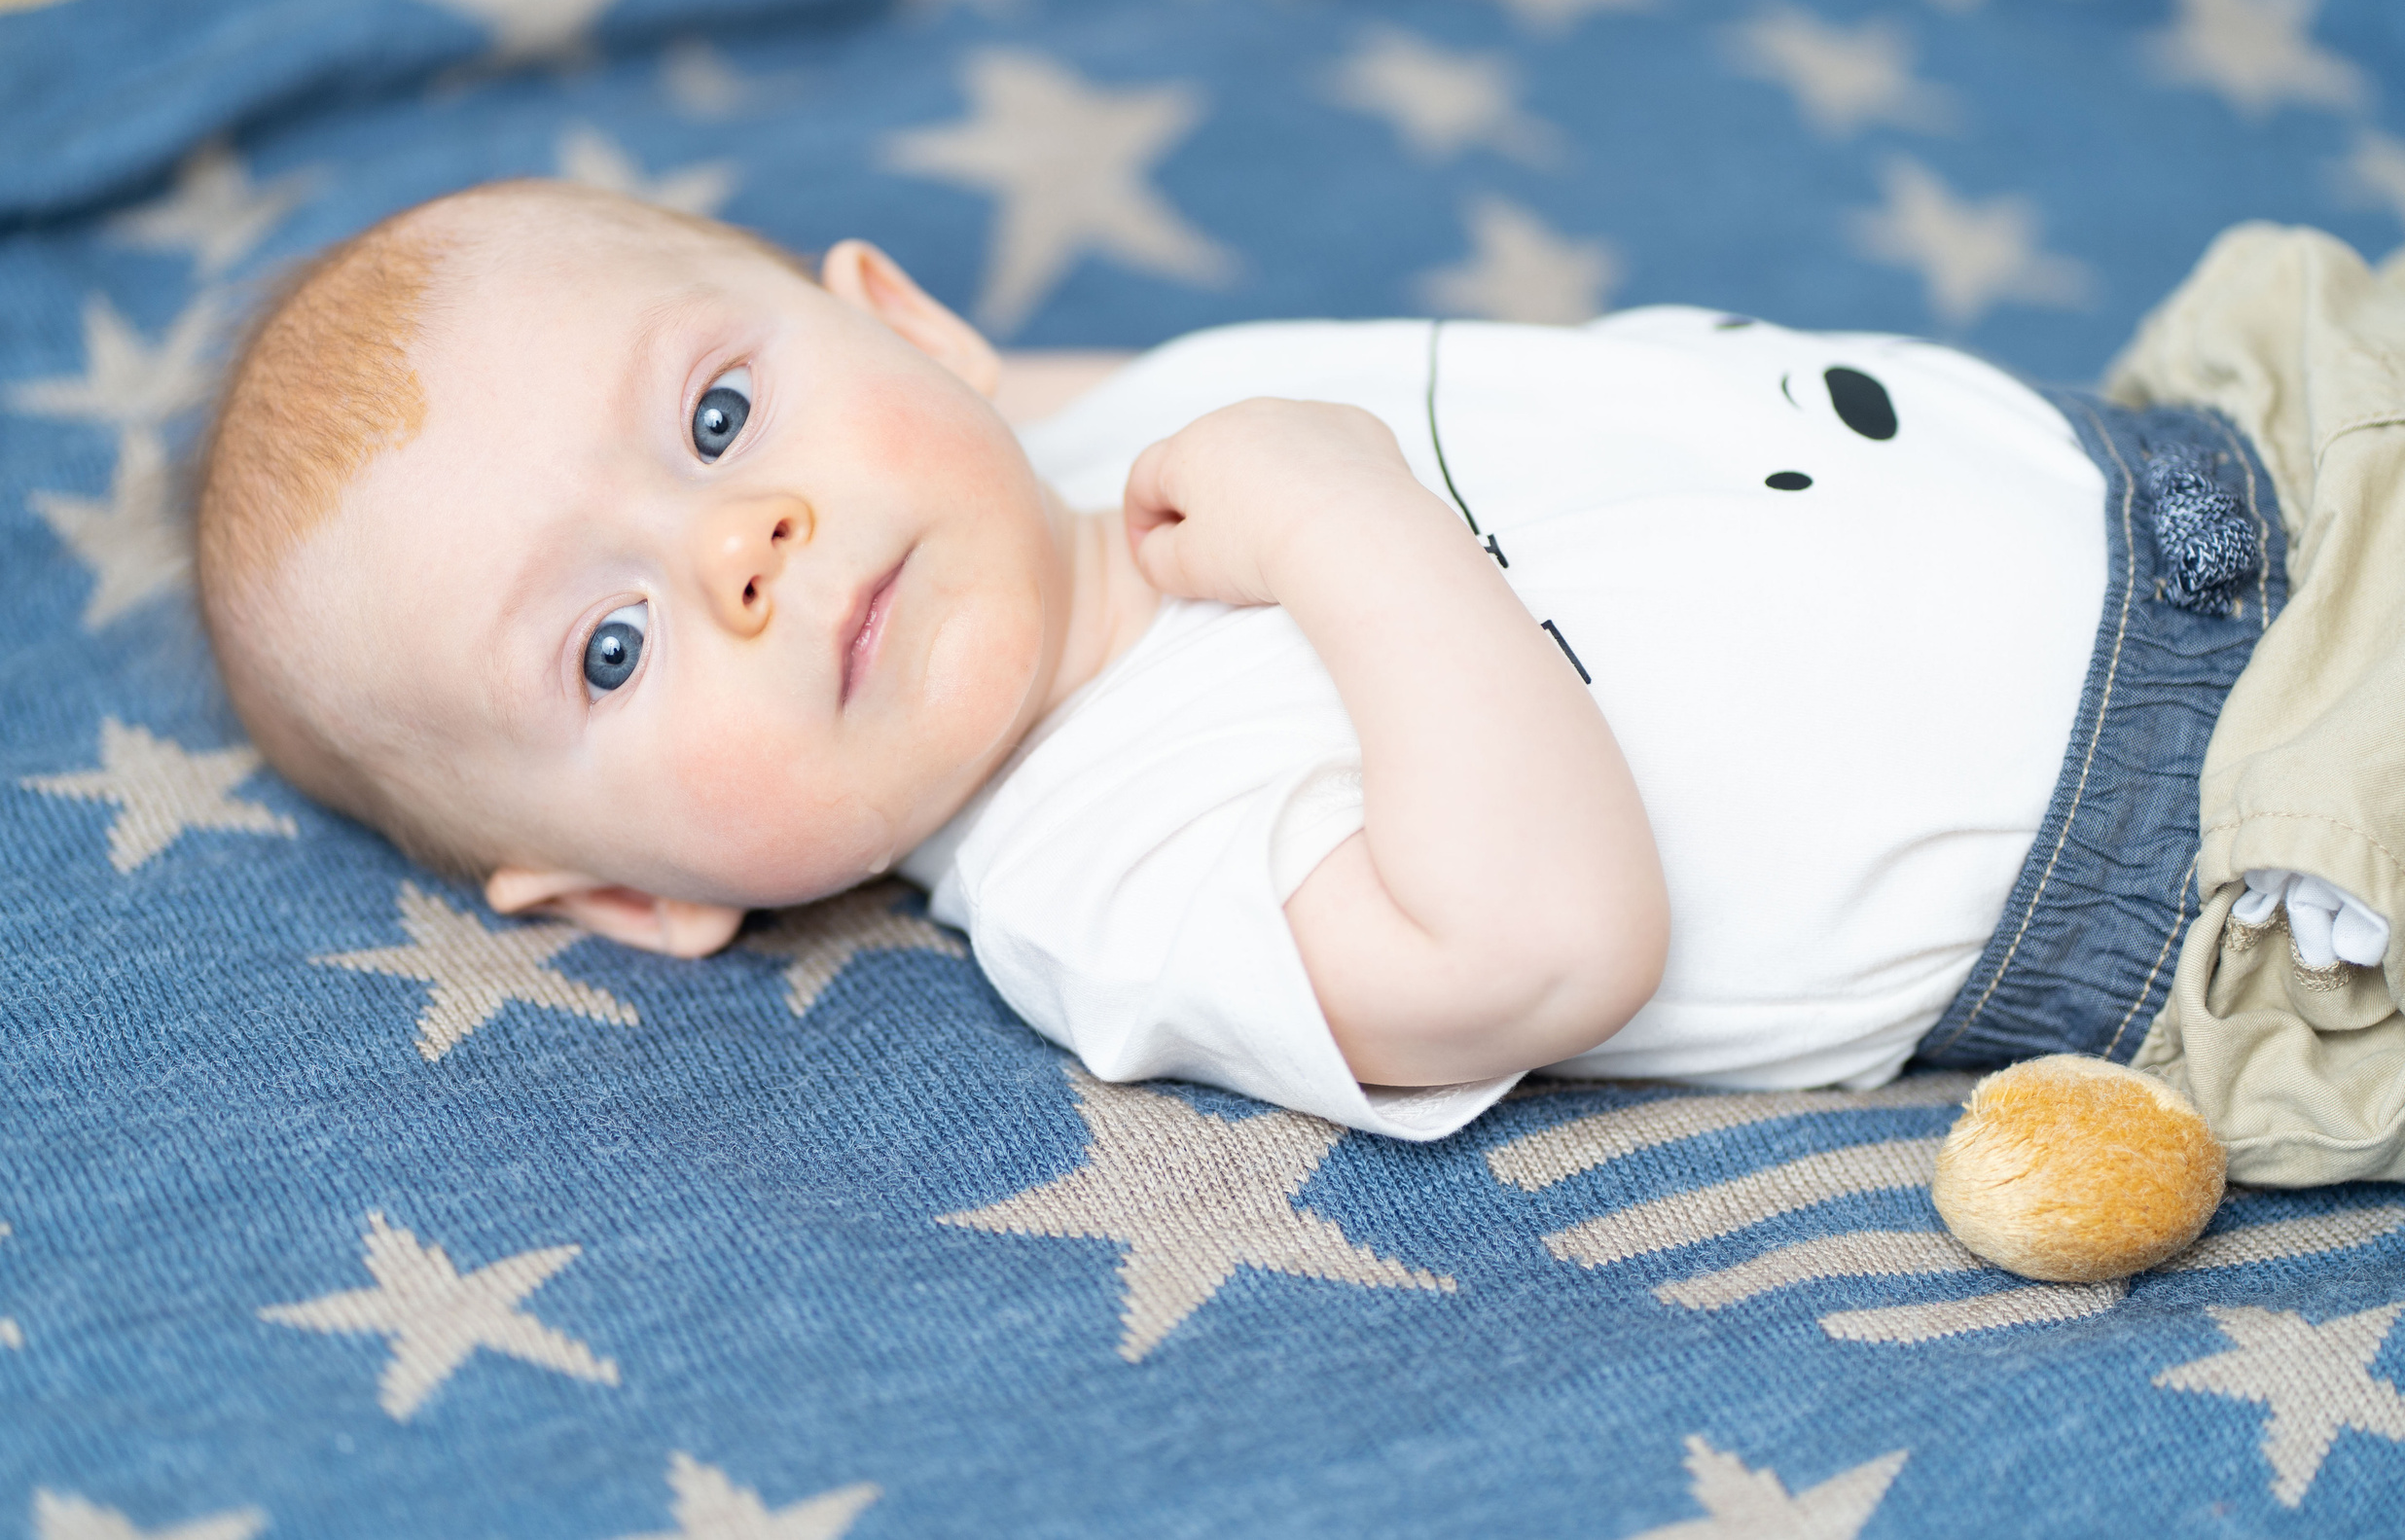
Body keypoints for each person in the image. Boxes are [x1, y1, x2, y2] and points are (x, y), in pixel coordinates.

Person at [196, 179, 2385, 1145]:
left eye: (709, 419)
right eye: (606, 642)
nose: (741, 550)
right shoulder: (1101, 874)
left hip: (2240, 432)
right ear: (631, 892)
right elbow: (1539, 937)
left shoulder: (1076, 429)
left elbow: (924, 421)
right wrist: (1346, 529)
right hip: (2258, 829)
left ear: (906, 321)